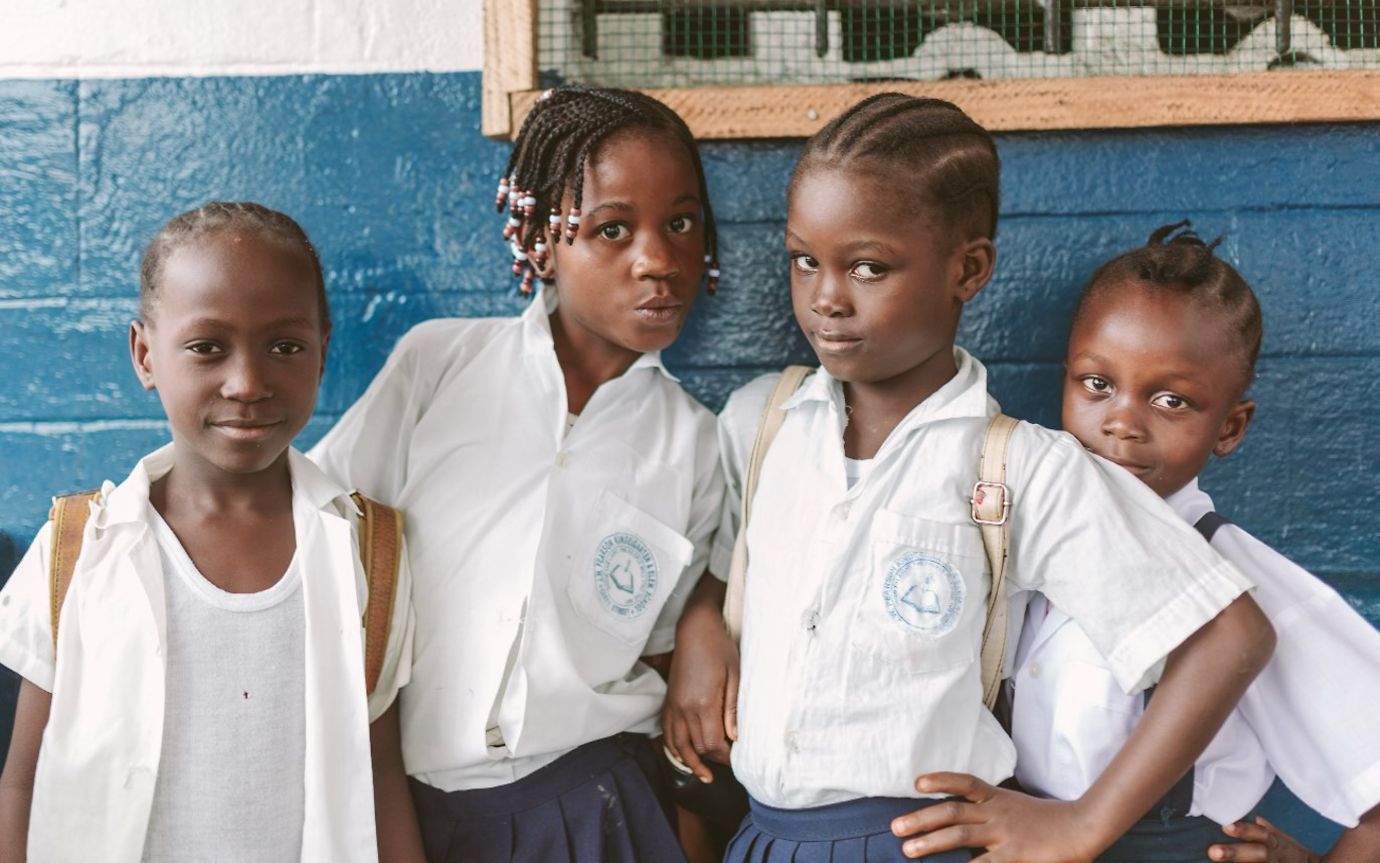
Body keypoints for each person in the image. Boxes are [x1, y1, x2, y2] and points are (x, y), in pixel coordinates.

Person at [666, 93, 1277, 863]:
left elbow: (1230, 634)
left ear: (969, 268)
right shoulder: (761, 421)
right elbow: (725, 572)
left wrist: (1086, 823)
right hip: (765, 837)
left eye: (868, 267)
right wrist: (699, 626)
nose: (826, 296)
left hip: (918, 843)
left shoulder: (1023, 466)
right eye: (804, 260)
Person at [308, 86, 725, 863]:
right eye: (611, 229)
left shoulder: (694, 443)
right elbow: (320, 528)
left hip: (598, 802)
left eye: (681, 221)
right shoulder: (438, 367)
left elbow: (666, 650)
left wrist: (704, 610)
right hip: (415, 805)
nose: (659, 260)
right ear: (538, 241)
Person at [0, 202, 419, 862]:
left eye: (285, 346)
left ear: (323, 350)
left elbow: (381, 775)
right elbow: (21, 778)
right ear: (145, 354)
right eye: (207, 347)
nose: (247, 383)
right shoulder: (78, 548)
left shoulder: (371, 551)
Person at [1006, 222, 1380, 863]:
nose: (1121, 422)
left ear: (1229, 427)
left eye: (1171, 400)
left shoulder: (1241, 583)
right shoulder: (1018, 550)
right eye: (1097, 385)